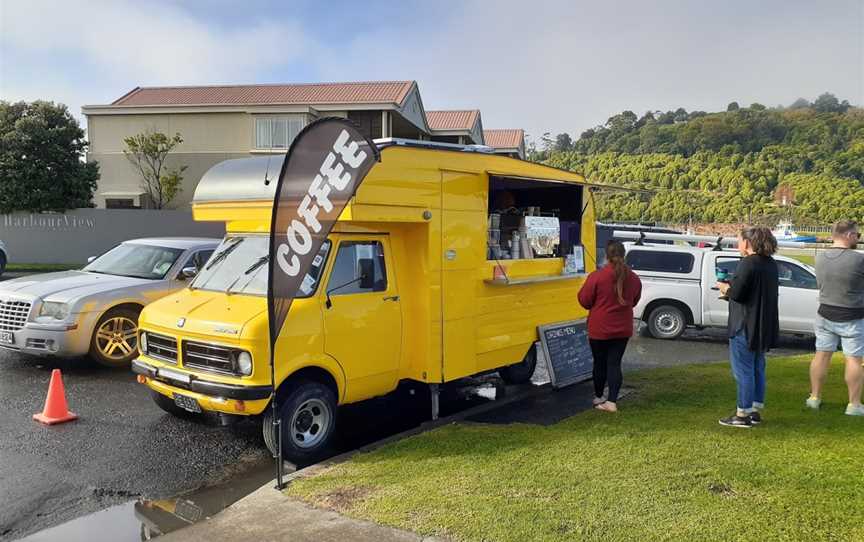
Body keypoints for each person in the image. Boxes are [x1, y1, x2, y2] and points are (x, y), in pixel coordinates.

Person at [717, 226, 779, 428]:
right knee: (757, 368)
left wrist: (725, 288)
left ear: (747, 242)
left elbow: (739, 293)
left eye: (739, 240)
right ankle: (754, 410)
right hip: (762, 324)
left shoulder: (747, 263)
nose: (738, 245)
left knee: (743, 370)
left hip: (744, 324)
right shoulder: (770, 264)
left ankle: (741, 414)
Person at [806, 220, 864, 416]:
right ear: (848, 235)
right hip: (852, 316)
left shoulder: (820, 257)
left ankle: (814, 397)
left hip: (825, 313)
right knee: (854, 360)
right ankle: (854, 405)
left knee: (821, 356)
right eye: (857, 234)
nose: (858, 238)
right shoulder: (859, 260)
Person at [577, 240, 642, 413]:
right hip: (622, 328)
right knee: (614, 363)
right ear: (624, 255)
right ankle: (612, 401)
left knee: (599, 363)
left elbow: (584, 300)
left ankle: (598, 397)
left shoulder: (597, 276)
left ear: (605, 255)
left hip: (599, 328)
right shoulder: (634, 278)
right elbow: (634, 300)